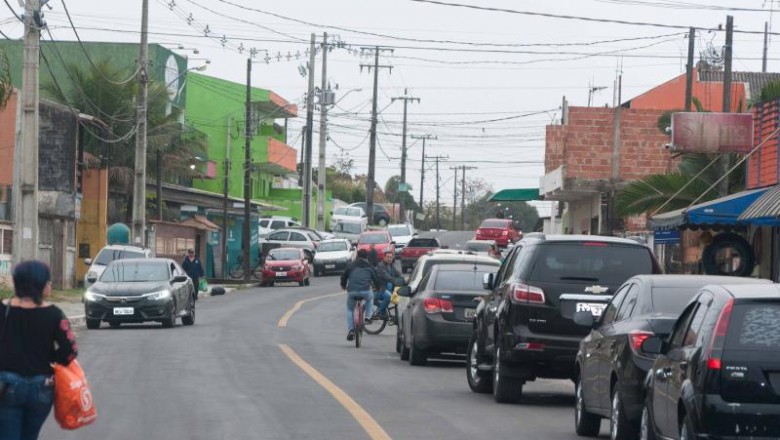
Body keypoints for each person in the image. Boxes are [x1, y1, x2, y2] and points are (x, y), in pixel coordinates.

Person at [0, 260, 78, 440]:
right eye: (48, 282)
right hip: (42, 386)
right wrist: (51, 361)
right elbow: (70, 350)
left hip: (7, 385)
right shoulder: (54, 314)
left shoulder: (3, 310)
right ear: (41, 284)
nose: (50, 286)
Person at [340, 249, 380, 341]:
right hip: (365, 291)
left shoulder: (351, 265)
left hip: (352, 291)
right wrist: (378, 287)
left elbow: (344, 276)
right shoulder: (370, 266)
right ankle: (368, 317)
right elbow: (376, 279)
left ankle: (351, 330)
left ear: (357, 256)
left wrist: (343, 285)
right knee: (370, 299)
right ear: (367, 257)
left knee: (350, 309)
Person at [374, 249, 400, 319]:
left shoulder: (391, 266)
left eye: (391, 257)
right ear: (384, 257)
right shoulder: (381, 266)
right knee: (389, 296)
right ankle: (379, 312)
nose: (389, 259)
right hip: (379, 290)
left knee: (398, 297)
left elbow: (398, 274)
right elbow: (387, 277)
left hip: (387, 289)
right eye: (387, 257)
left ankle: (396, 316)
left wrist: (404, 281)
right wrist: (396, 281)